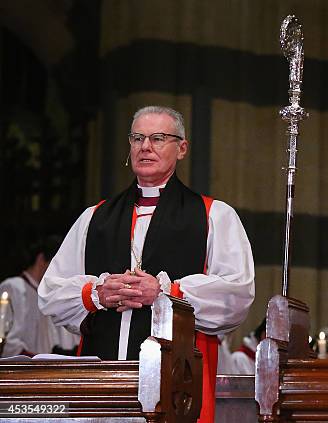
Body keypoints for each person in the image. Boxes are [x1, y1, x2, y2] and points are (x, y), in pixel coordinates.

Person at [38, 106, 255, 423]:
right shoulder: (94, 218)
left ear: (181, 148)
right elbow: (51, 293)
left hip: (176, 385)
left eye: (158, 138)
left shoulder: (214, 216)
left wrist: (166, 292)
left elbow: (236, 295)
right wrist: (96, 293)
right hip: (101, 385)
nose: (145, 146)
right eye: (137, 138)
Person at [0, 236, 79, 357]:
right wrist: (37, 360)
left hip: (44, 369)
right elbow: (5, 340)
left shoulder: (52, 295)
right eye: (56, 265)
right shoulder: (13, 287)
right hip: (21, 369)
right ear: (41, 259)